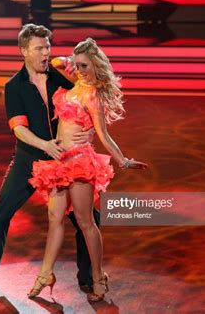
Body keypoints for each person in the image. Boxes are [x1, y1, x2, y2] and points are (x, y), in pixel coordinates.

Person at [0, 24, 100, 292]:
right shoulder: (14, 86)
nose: (45, 52)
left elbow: (84, 102)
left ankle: (87, 276)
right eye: (39, 48)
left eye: (47, 47)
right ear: (24, 51)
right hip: (29, 160)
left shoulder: (59, 79)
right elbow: (19, 129)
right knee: (0, 213)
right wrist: (45, 145)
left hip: (63, 162)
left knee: (88, 219)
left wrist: (89, 134)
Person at [27, 38, 148, 302]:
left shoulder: (92, 94)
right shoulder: (74, 85)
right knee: (54, 220)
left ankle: (98, 276)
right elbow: (57, 62)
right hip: (59, 162)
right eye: (78, 65)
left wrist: (122, 160)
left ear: (96, 66)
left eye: (85, 66)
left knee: (85, 222)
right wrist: (73, 60)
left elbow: (103, 134)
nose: (80, 70)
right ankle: (45, 274)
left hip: (80, 163)